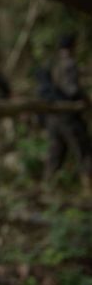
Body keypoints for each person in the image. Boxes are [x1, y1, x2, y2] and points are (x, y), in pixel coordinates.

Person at [44, 34, 92, 188]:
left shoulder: (53, 64)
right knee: (83, 151)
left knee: (56, 152)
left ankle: (48, 186)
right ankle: (88, 187)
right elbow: (72, 90)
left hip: (53, 114)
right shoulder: (69, 64)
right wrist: (86, 100)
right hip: (68, 115)